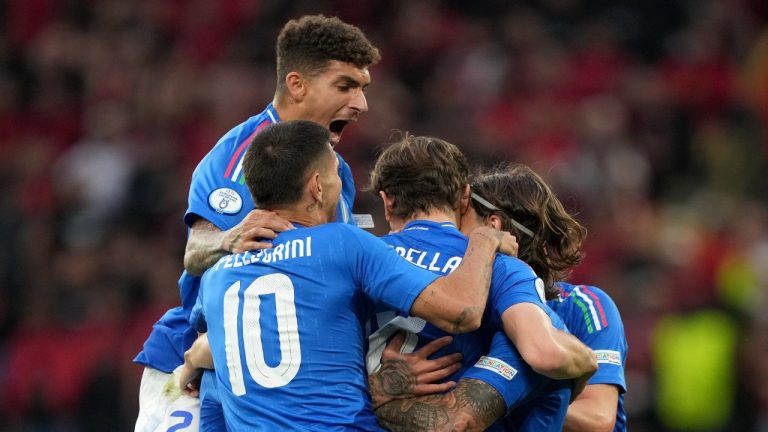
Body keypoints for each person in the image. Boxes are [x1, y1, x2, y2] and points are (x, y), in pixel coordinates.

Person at [133, 15, 381, 432]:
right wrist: (229, 237)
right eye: (345, 86)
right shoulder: (240, 157)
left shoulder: (336, 171)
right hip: (195, 362)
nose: (361, 104)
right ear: (297, 85)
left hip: (277, 365)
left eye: (363, 88)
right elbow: (196, 252)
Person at [195, 120, 515, 430]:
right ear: (317, 187)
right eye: (336, 173)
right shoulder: (342, 243)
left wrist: (189, 366)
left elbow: (210, 348)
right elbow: (463, 312)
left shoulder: (214, 279)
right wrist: (484, 239)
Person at [365, 135, 596, 431]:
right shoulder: (503, 268)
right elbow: (543, 353)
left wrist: (376, 389)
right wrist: (585, 360)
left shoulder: (357, 256)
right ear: (464, 196)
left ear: (387, 201)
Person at [471, 164, 628, 431]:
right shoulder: (464, 311)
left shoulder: (584, 307)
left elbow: (599, 418)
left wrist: (502, 397)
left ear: (493, 228)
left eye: (463, 223)